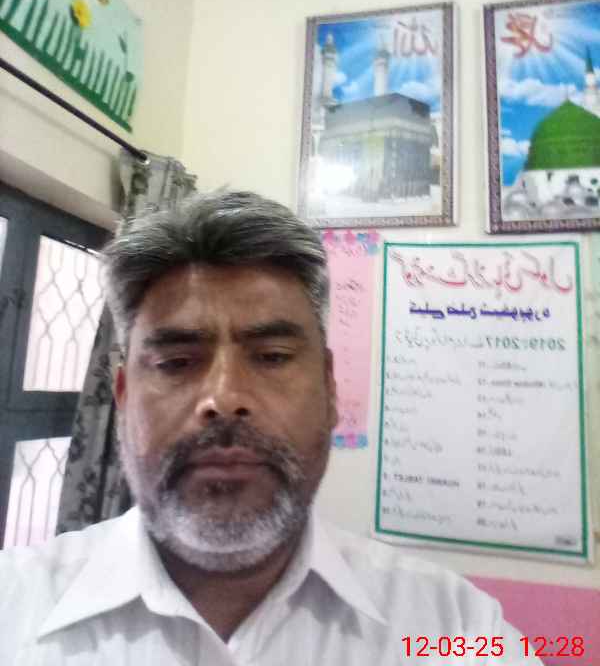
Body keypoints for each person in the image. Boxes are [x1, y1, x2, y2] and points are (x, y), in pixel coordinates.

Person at [0, 190, 539, 664]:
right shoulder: (14, 608)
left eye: (273, 356)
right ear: (122, 396)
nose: (224, 398)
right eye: (177, 363)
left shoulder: (457, 629)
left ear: (330, 389)